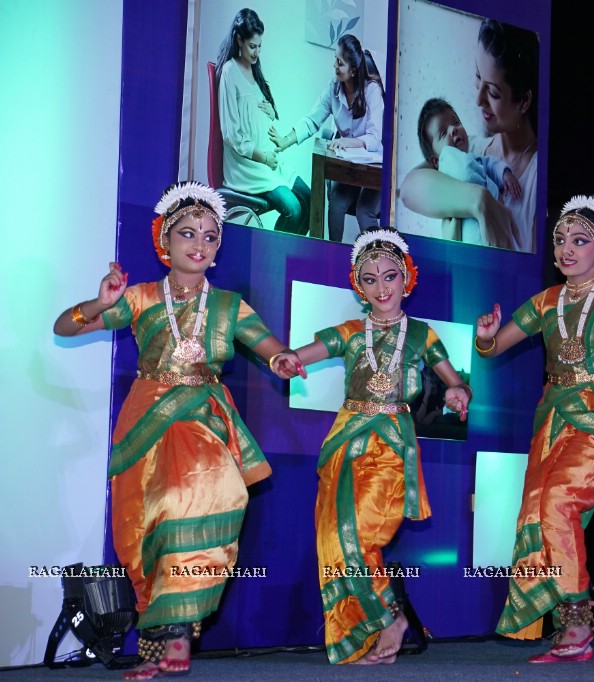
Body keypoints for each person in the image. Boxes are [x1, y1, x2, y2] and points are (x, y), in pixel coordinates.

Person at [53, 182, 293, 679]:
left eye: (209, 236)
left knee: (201, 499)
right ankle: (159, 642)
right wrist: (99, 303)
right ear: (165, 240)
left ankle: (178, 642)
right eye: (187, 234)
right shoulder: (139, 298)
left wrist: (283, 359)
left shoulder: (229, 307)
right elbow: (64, 328)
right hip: (144, 421)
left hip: (201, 416)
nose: (198, 245)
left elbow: (269, 347)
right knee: (141, 531)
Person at [474, 196, 594, 662]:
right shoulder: (546, 302)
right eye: (560, 240)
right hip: (553, 420)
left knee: (559, 502)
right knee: (539, 513)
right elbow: (494, 347)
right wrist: (485, 337)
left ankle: (578, 623)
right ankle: (570, 626)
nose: (566, 249)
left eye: (579, 241)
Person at [270, 228, 472, 664]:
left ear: (407, 278)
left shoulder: (421, 335)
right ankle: (375, 629)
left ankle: (390, 619)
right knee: (333, 538)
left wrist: (458, 392)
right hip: (348, 441)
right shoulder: (349, 331)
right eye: (370, 278)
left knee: (359, 534)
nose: (382, 287)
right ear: (358, 287)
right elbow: (299, 356)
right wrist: (285, 360)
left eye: (390, 276)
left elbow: (453, 380)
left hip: (393, 443)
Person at [400, 18, 538, 251]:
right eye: (477, 76)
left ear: (524, 100)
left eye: (492, 92)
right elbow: (408, 189)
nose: (478, 100)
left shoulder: (536, 175)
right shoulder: (466, 150)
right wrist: (479, 201)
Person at [270, 34, 384, 240]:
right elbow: (312, 120)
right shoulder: (333, 89)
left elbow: (374, 139)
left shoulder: (372, 91)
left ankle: (372, 263)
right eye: (335, 60)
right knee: (337, 205)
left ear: (354, 70)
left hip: (372, 168)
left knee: (364, 211)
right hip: (347, 169)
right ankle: (333, 259)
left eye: (340, 63)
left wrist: (346, 142)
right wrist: (285, 141)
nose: (335, 66)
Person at [215, 8, 311, 235]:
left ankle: (286, 256)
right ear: (239, 39)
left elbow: (257, 115)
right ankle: (272, 259)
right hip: (248, 167)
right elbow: (232, 134)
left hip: (270, 163)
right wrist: (263, 157)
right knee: (294, 210)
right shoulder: (230, 72)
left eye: (260, 46)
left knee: (310, 198)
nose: (257, 52)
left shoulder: (253, 71)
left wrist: (270, 111)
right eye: (252, 46)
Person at [416, 97, 522, 245]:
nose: (453, 130)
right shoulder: (442, 176)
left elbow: (491, 164)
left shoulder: (475, 159)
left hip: (491, 223)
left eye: (456, 123)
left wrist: (505, 174)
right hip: (467, 234)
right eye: (443, 133)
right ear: (436, 161)